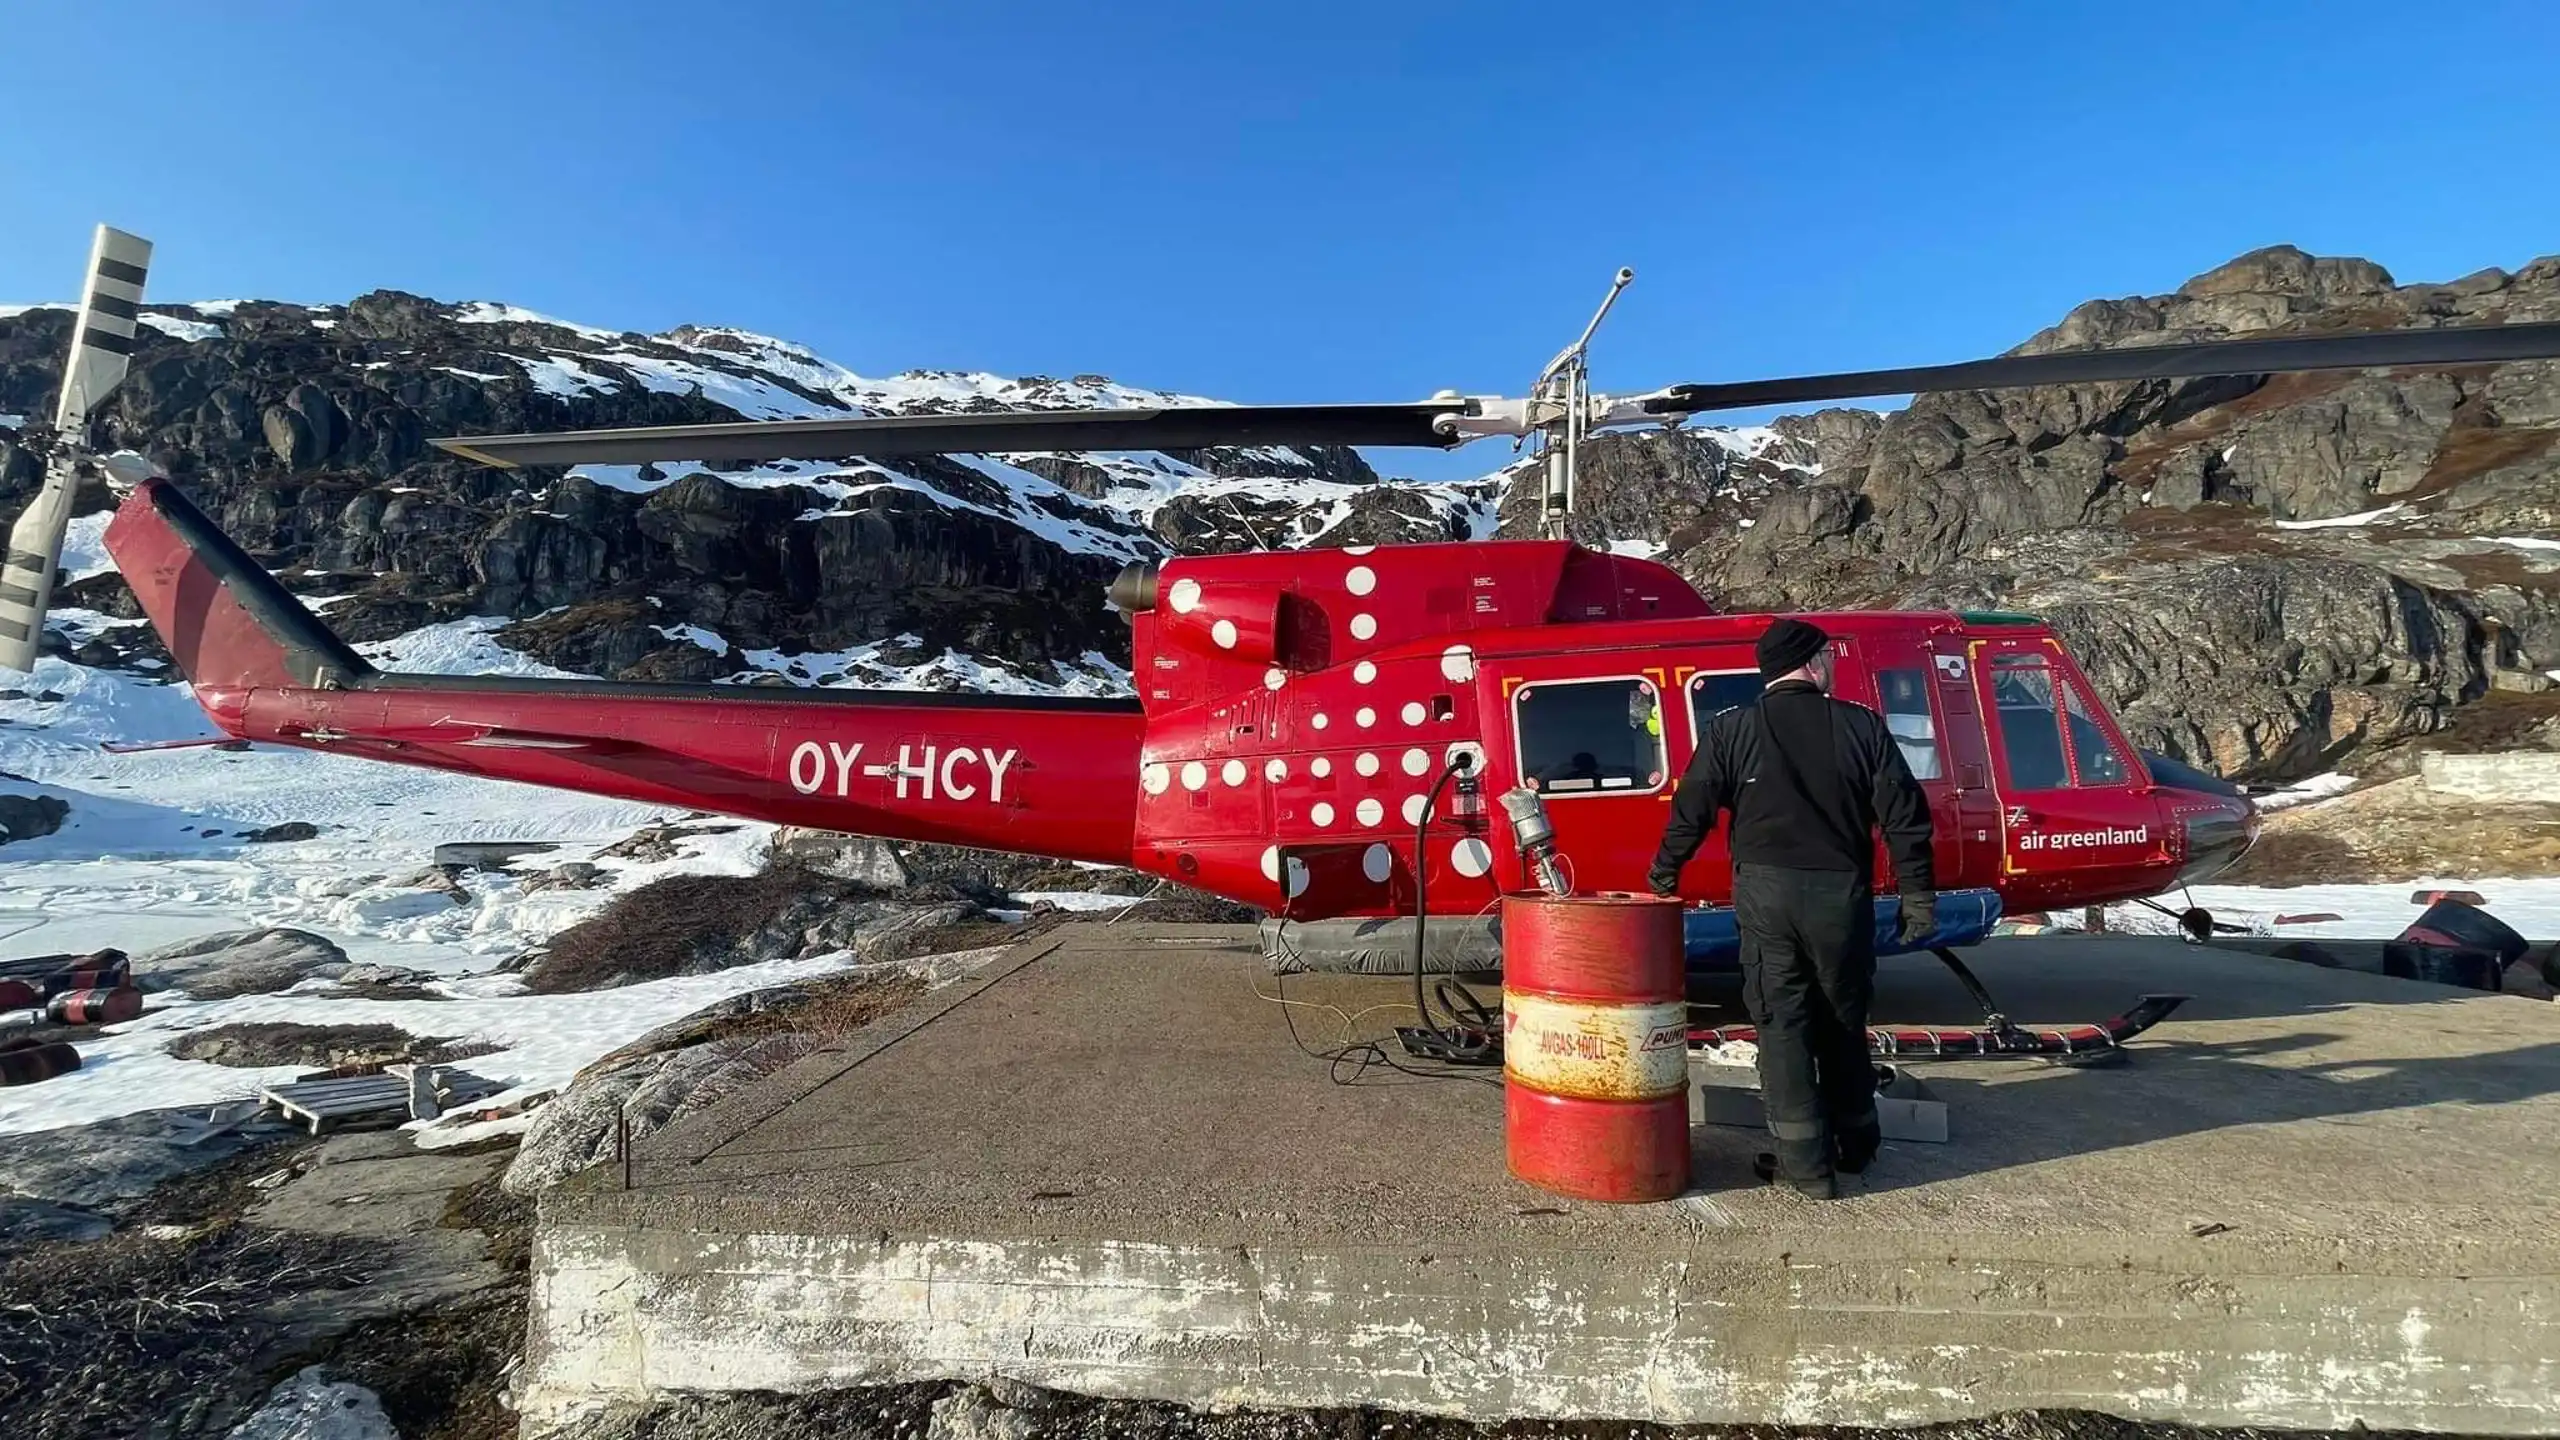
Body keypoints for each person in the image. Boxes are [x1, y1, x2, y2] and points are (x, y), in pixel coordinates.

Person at [1646, 618, 1936, 1198]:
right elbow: (1904, 817)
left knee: (1783, 1027)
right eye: (1828, 656)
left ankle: (1805, 1167)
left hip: (1766, 896)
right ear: (1811, 661)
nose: (1833, 665)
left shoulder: (1732, 730)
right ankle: (1858, 1146)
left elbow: (1693, 807)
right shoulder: (1860, 726)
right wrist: (1918, 897)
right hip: (1839, 895)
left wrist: (1665, 871)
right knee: (1843, 1021)